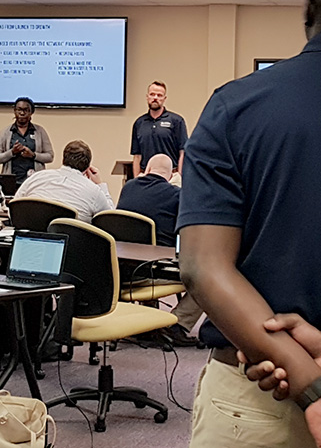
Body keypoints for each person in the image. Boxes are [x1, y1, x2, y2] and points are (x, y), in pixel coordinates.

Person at [179, 0, 321, 448]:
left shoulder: (235, 107)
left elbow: (203, 268)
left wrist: (313, 380)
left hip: (259, 396)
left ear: (307, 8)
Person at [117, 153, 202, 347]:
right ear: (172, 175)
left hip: (121, 273)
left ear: (146, 170)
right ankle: (177, 325)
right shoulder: (176, 195)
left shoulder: (127, 188)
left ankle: (148, 325)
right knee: (205, 278)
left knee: (145, 249)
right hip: (154, 272)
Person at [13, 140, 113, 224]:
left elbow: (14, 207)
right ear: (87, 168)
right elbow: (110, 221)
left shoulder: (37, 177)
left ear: (63, 160)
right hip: (72, 245)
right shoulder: (93, 191)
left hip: (30, 241)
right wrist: (100, 185)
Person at [130, 81, 187, 178]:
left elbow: (182, 152)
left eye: (159, 95)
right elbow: (137, 156)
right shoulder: (139, 123)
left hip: (171, 176)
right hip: (146, 175)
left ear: (164, 99)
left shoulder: (176, 121)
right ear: (147, 97)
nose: (155, 98)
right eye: (152, 94)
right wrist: (137, 179)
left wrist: (180, 177)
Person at [0, 97, 54, 184]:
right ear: (14, 111)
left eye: (26, 110)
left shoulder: (40, 131)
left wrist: (33, 155)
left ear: (31, 112)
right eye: (19, 110)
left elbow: (50, 156)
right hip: (11, 181)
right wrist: (12, 152)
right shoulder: (6, 132)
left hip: (34, 181)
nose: (22, 113)